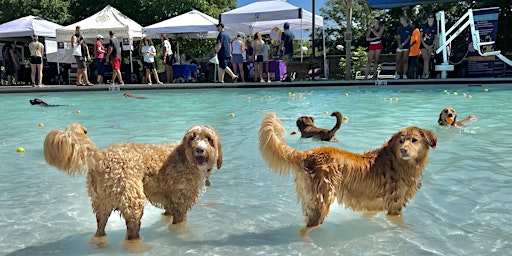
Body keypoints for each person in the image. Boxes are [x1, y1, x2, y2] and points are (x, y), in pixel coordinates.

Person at [420, 14, 438, 79]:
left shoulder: (435, 26)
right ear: (427, 19)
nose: (430, 19)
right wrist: (425, 45)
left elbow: (436, 37)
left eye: (432, 18)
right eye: (429, 18)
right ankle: (426, 73)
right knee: (425, 59)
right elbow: (420, 37)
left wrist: (433, 45)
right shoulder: (424, 26)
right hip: (424, 44)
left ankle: (425, 73)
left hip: (430, 45)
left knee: (428, 59)